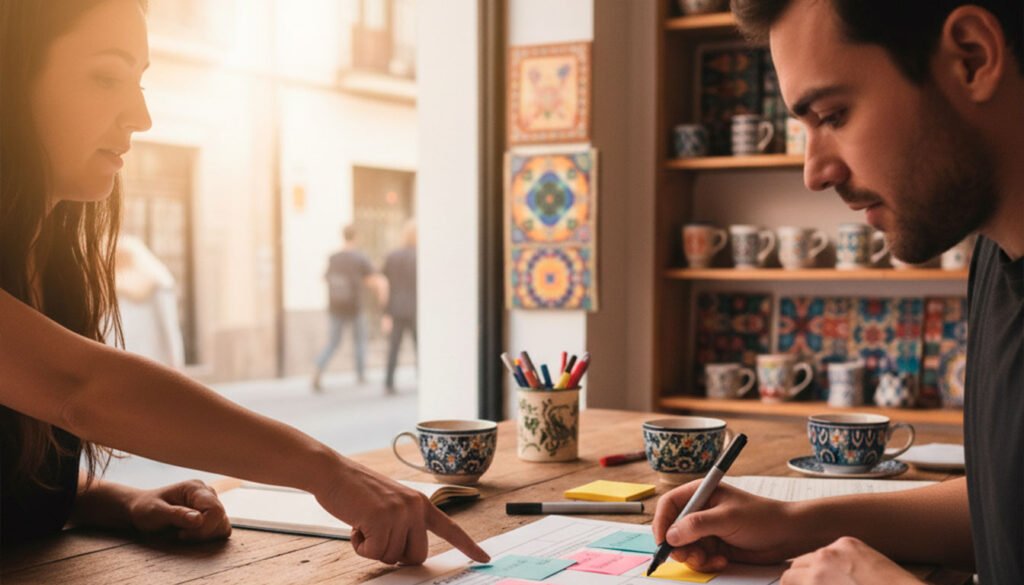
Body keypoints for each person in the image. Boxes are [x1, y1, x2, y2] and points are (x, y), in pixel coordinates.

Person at [0, 0, 489, 567]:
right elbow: (80, 389)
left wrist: (115, 500)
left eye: (139, 82)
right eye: (107, 77)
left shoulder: (49, 264)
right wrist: (329, 472)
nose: (141, 115)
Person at [652, 1, 1024, 583]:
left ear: (972, 58)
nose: (814, 172)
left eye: (832, 115)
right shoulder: (998, 257)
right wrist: (796, 523)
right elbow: (1004, 505)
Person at [311, 224, 376, 391]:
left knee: (333, 342)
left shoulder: (334, 257)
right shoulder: (360, 258)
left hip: (336, 306)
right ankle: (360, 374)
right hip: (355, 306)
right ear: (356, 237)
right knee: (359, 341)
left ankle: (319, 366)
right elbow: (371, 279)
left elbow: (324, 278)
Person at [113, 234, 185, 369]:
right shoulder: (115, 291)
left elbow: (169, 328)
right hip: (139, 361)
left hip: (148, 361)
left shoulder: (159, 285)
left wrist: (176, 361)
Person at [380, 220, 417, 393]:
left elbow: (385, 285)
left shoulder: (392, 256)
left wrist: (385, 312)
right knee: (420, 347)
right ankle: (425, 380)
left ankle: (388, 382)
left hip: (396, 308)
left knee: (393, 347)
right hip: (416, 309)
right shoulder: (420, 256)